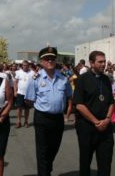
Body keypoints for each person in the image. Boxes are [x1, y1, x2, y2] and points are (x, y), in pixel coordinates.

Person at [25, 47, 72, 176]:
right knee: (42, 151)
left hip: (58, 119)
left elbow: (69, 95)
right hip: (42, 118)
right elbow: (29, 100)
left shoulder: (63, 78)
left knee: (54, 148)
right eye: (47, 58)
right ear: (41, 61)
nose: (50, 60)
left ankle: (47, 168)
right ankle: (44, 173)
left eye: (52, 58)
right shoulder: (35, 79)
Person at [73, 50, 114, 176]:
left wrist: (107, 119)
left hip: (105, 127)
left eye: (104, 61)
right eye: (100, 62)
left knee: (105, 162)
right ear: (91, 63)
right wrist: (96, 122)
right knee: (85, 161)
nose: (103, 64)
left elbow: (111, 102)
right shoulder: (82, 79)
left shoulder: (106, 79)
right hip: (87, 127)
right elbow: (79, 105)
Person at [14, 60, 34, 128]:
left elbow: (36, 81)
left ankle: (26, 121)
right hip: (20, 93)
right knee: (19, 108)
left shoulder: (32, 72)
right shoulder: (18, 72)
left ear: (29, 66)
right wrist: (15, 91)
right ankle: (18, 122)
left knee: (27, 109)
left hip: (28, 94)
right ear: (22, 66)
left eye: (26, 65)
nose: (25, 67)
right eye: (24, 65)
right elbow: (15, 82)